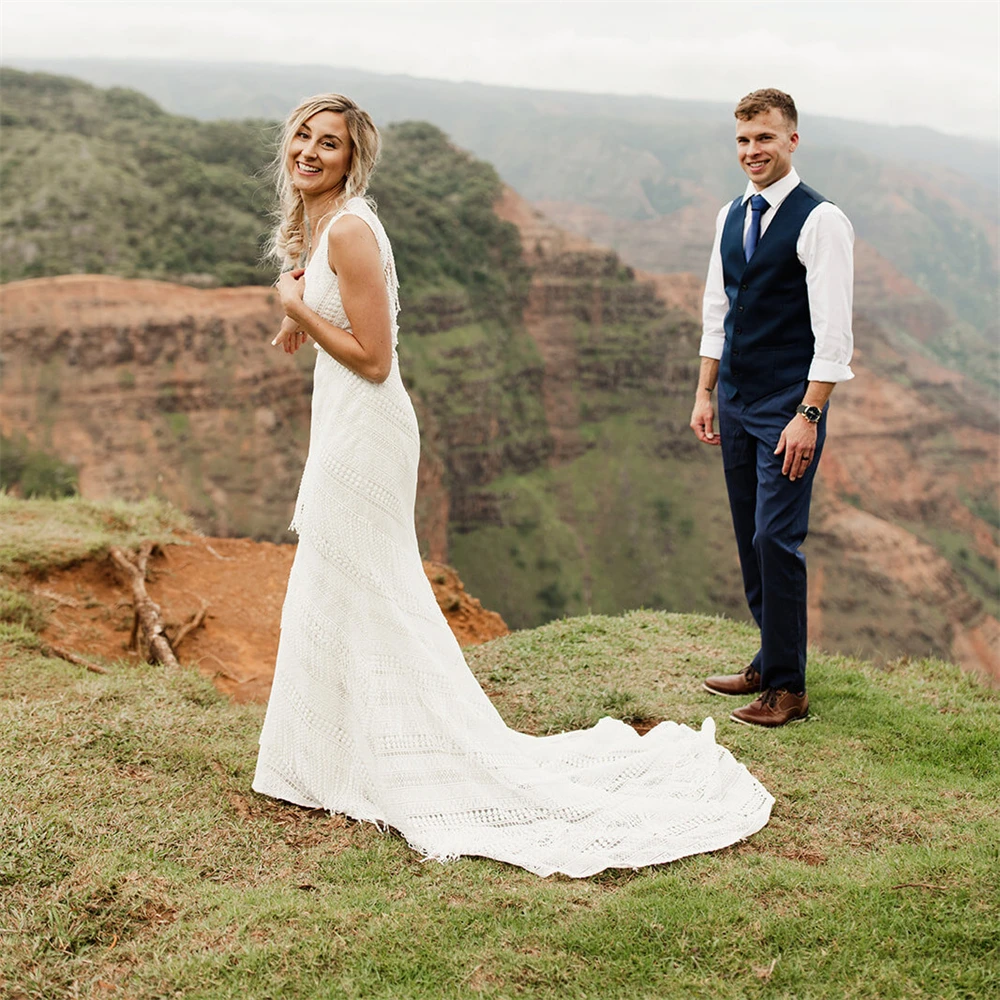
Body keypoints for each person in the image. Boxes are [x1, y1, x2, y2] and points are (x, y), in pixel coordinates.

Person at [253, 93, 774, 877]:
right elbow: (340, 321)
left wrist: (297, 305)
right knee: (342, 583)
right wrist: (303, 309)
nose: (310, 151)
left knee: (367, 585)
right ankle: (330, 759)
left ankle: (368, 759)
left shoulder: (353, 227)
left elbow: (374, 358)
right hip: (346, 425)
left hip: (366, 430)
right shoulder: (327, 227)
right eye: (303, 136)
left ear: (351, 159)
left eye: (329, 143)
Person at [691, 88, 855, 728]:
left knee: (776, 538)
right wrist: (705, 391)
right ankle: (769, 655)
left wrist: (809, 416)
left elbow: (835, 335)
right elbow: (717, 308)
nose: (752, 151)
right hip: (733, 398)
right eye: (742, 140)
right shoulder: (730, 214)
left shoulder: (821, 221)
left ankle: (788, 689)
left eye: (765, 138)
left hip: (789, 408)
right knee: (747, 537)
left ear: (792, 140)